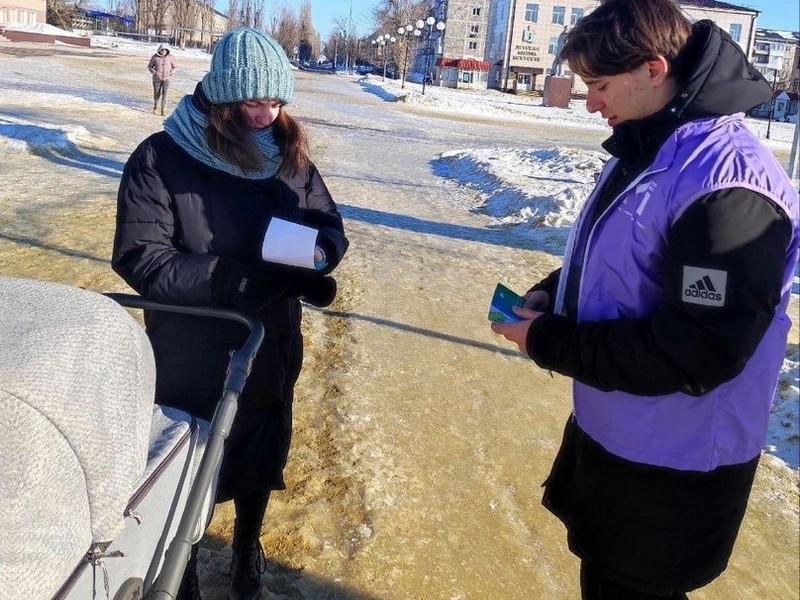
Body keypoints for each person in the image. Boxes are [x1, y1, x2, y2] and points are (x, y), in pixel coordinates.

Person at [491, 1, 799, 598]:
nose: (590, 102)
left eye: (599, 84)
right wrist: (555, 291)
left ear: (653, 70)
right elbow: (630, 255)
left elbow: (698, 348)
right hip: (622, 433)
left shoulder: (728, 186)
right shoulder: (652, 145)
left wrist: (550, 341)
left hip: (674, 465)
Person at [113, 28, 349, 600]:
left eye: (277, 102)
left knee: (259, 444)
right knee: (192, 461)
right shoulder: (161, 158)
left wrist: (319, 256)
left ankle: (247, 548)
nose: (268, 115)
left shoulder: (288, 154)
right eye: (253, 103)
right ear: (222, 99)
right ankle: (184, 565)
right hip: (193, 343)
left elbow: (326, 222)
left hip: (270, 338)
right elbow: (142, 257)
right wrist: (234, 279)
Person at [148, 43, 178, 116]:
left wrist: (171, 72)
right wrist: (154, 72)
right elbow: (150, 66)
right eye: (161, 50)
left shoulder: (171, 57)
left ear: (167, 51)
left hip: (167, 79)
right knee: (156, 94)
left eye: (164, 50)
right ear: (159, 50)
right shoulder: (155, 57)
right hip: (157, 79)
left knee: (165, 94)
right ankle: (155, 106)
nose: (163, 51)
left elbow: (175, 66)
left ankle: (163, 109)